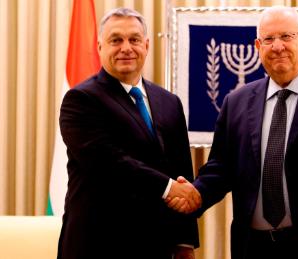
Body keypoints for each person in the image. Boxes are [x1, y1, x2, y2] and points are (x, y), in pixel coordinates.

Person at [168, 6, 298, 259]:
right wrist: (196, 193)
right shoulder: (236, 100)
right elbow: (221, 167)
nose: (277, 46)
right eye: (268, 39)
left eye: (286, 36)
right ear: (258, 47)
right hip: (254, 247)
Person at [57, 7, 201, 259]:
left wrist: (185, 241)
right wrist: (168, 188)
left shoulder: (169, 102)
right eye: (116, 40)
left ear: (146, 45)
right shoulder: (81, 99)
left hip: (155, 245)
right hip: (96, 244)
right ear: (100, 46)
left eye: (134, 39)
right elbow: (107, 162)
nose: (126, 47)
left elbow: (181, 171)